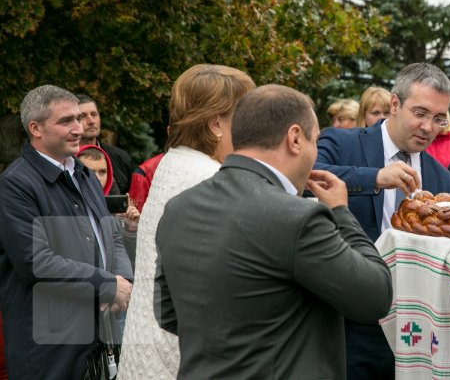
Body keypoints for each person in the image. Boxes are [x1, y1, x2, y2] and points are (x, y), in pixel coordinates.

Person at [153, 84, 392, 379]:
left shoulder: (178, 207)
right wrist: (341, 213)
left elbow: (168, 313)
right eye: (314, 141)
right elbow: (375, 296)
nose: (314, 152)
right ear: (294, 138)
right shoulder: (299, 217)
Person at [314, 62, 450, 380]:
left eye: (438, 119)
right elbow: (309, 175)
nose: (428, 127)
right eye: (420, 113)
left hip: (413, 330)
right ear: (395, 104)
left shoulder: (442, 177)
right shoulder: (342, 143)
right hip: (345, 323)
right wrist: (375, 177)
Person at [118, 64, 256, 380]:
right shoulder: (209, 179)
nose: (254, 126)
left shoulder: (173, 162)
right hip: (181, 353)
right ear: (216, 124)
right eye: (246, 115)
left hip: (151, 341)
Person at [0, 85, 133, 379]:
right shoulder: (15, 185)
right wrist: (107, 284)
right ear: (35, 128)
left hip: (95, 334)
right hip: (49, 347)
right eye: (66, 121)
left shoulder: (83, 175)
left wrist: (122, 281)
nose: (78, 128)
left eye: (78, 118)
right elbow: (37, 262)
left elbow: (111, 236)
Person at [77, 94, 134, 194]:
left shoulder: (120, 158)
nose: (91, 121)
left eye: (94, 114)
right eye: (83, 116)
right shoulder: (63, 160)